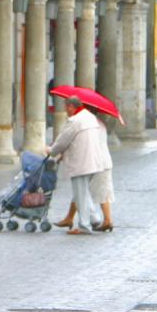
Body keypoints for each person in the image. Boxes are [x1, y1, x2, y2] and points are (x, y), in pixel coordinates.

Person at [47, 96, 104, 235]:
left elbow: (63, 140)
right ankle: (94, 218)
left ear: (71, 106)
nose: (66, 111)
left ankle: (84, 226)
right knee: (84, 192)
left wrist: (52, 151)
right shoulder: (90, 117)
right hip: (94, 161)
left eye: (67, 108)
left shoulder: (75, 121)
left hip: (81, 162)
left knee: (80, 194)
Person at [55, 105, 115, 232]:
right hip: (99, 161)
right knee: (82, 191)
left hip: (98, 162)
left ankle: (107, 220)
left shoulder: (90, 124)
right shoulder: (98, 123)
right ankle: (69, 218)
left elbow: (81, 143)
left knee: (98, 192)